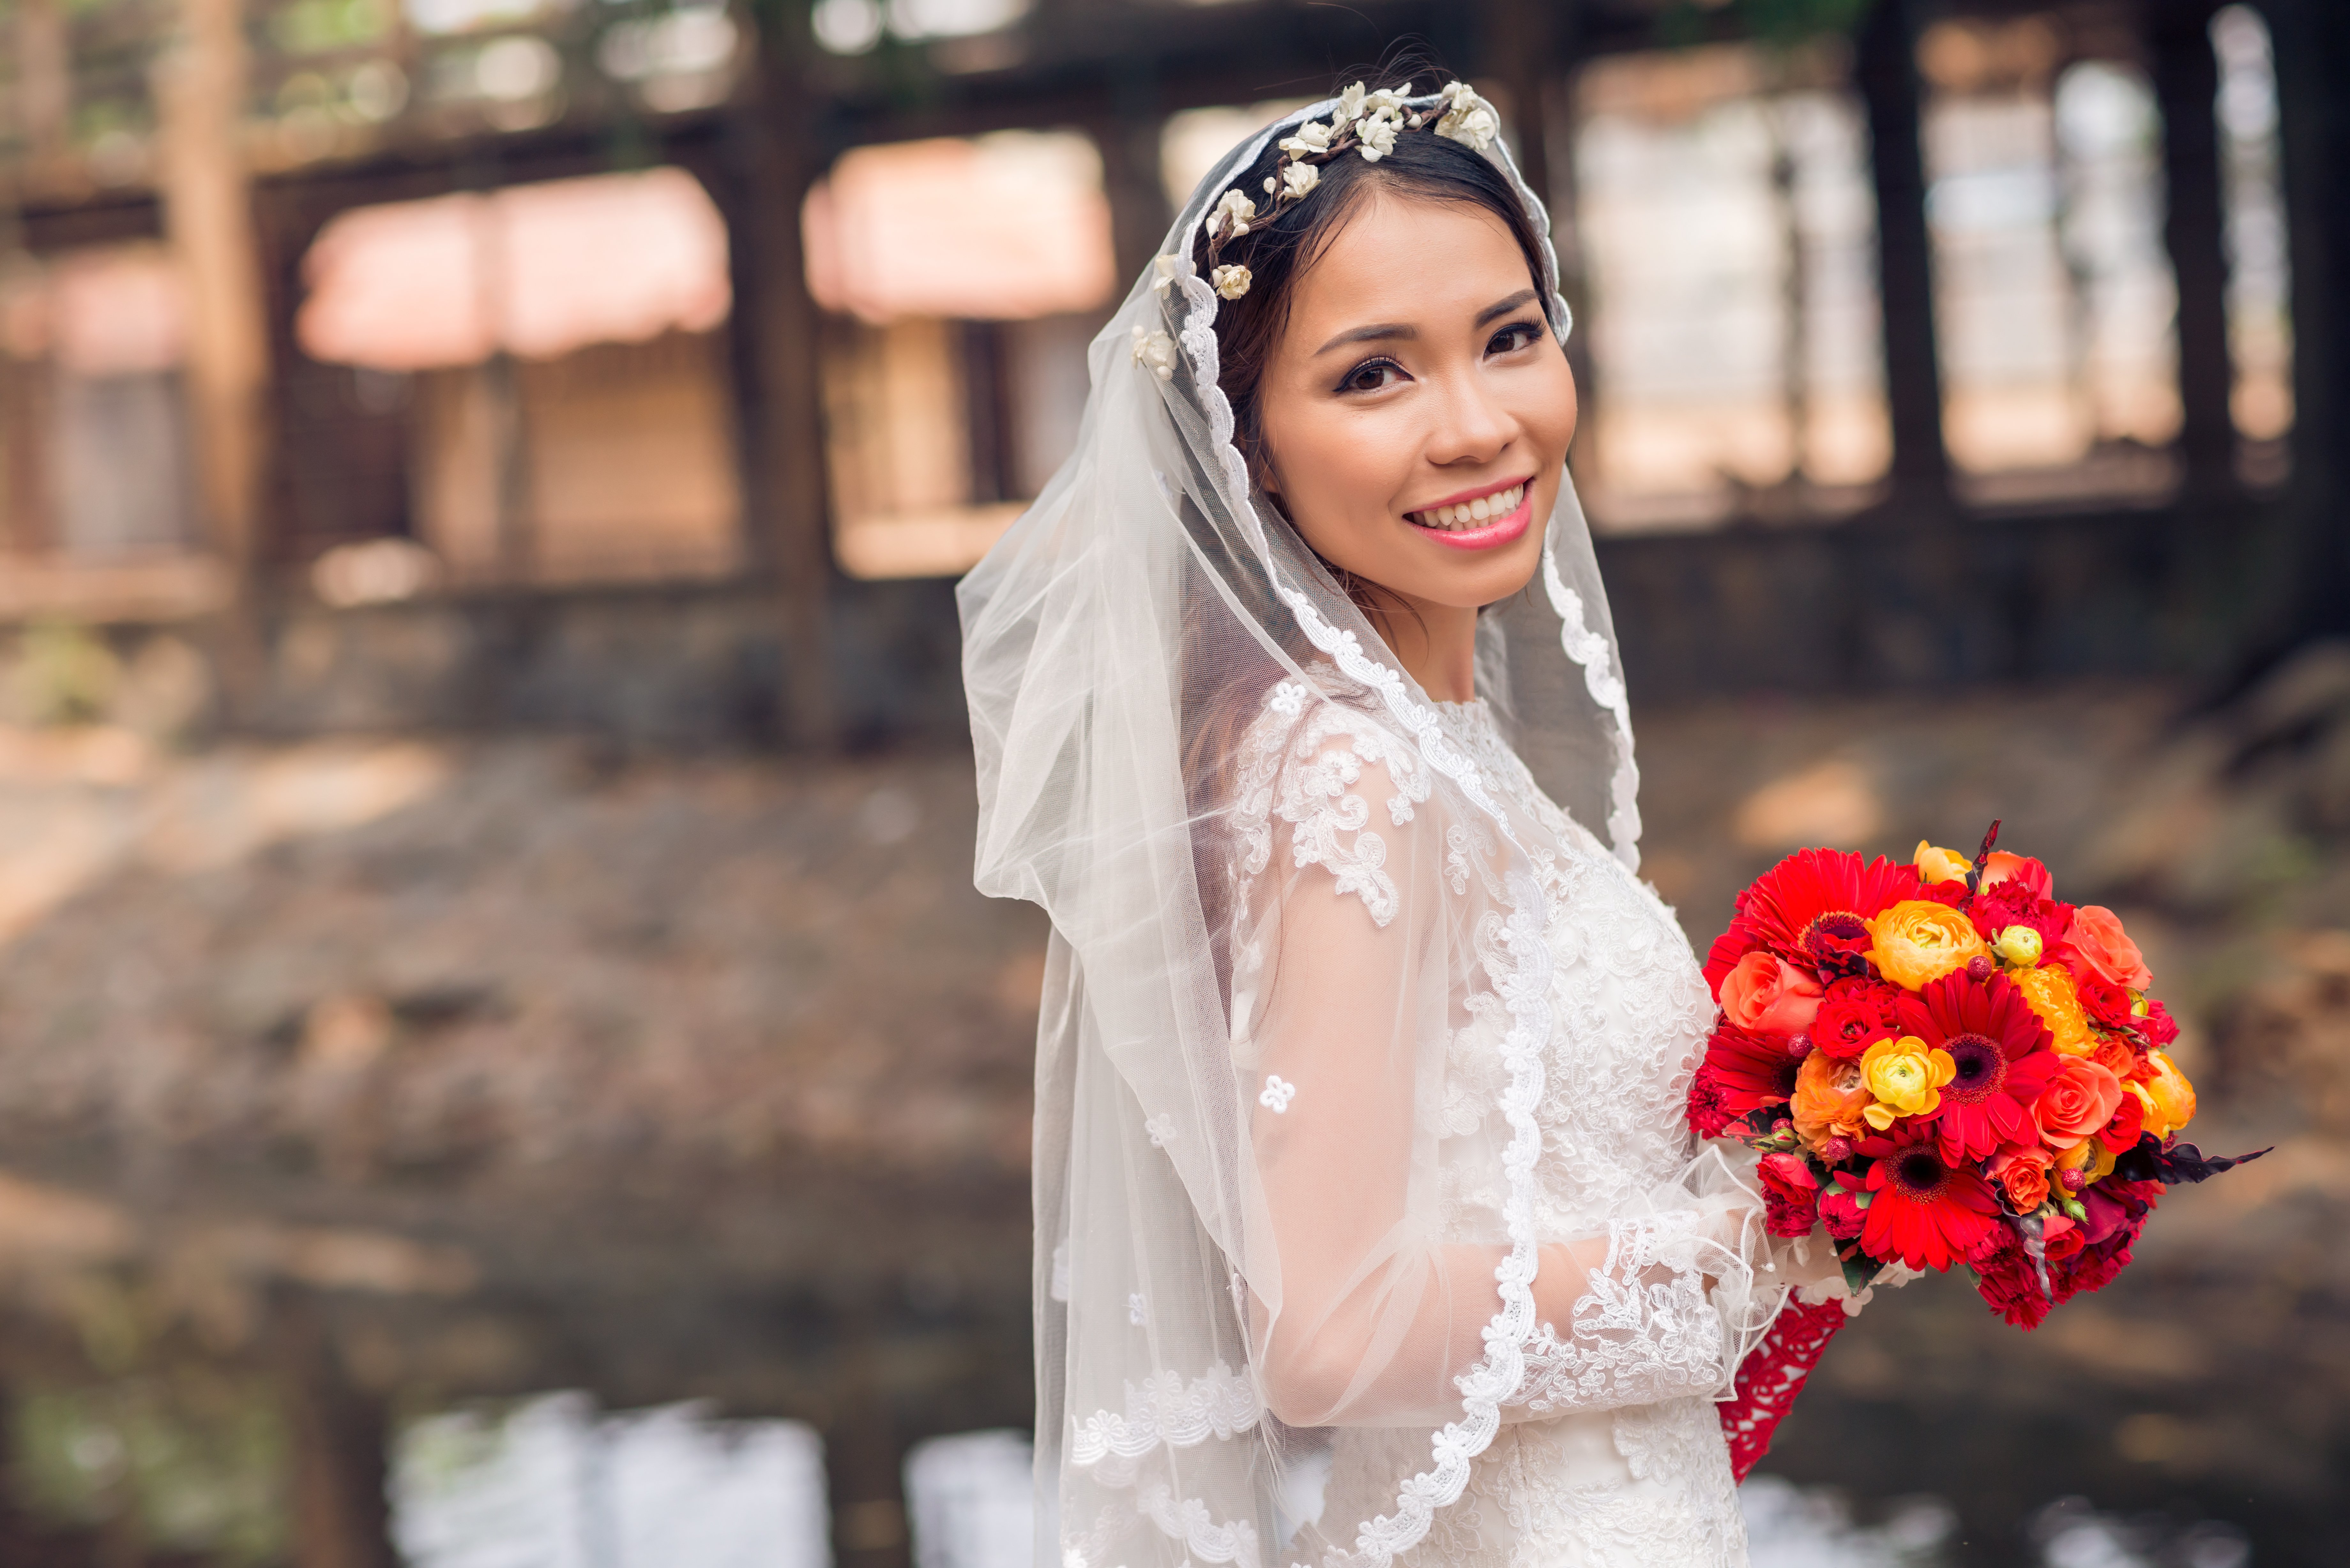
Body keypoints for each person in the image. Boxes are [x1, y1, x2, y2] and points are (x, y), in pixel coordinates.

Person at [961, 71, 1850, 1568]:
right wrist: (1786, 1239)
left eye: (1510, 339)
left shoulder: (1435, 742)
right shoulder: (1350, 770)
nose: (1477, 425)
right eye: (1375, 376)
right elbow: (1331, 1334)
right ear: (1247, 444)